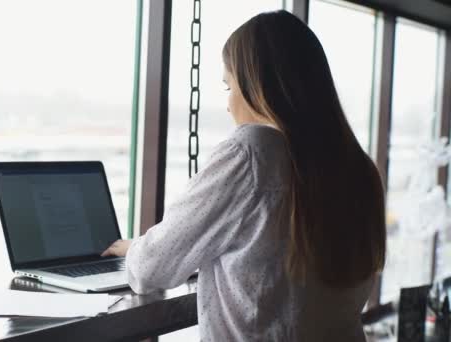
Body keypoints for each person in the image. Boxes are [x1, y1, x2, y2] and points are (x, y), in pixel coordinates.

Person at [102, 9, 386, 341]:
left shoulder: (253, 151)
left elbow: (153, 267)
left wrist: (134, 249)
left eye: (228, 87)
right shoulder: (360, 169)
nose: (228, 104)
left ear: (260, 86)